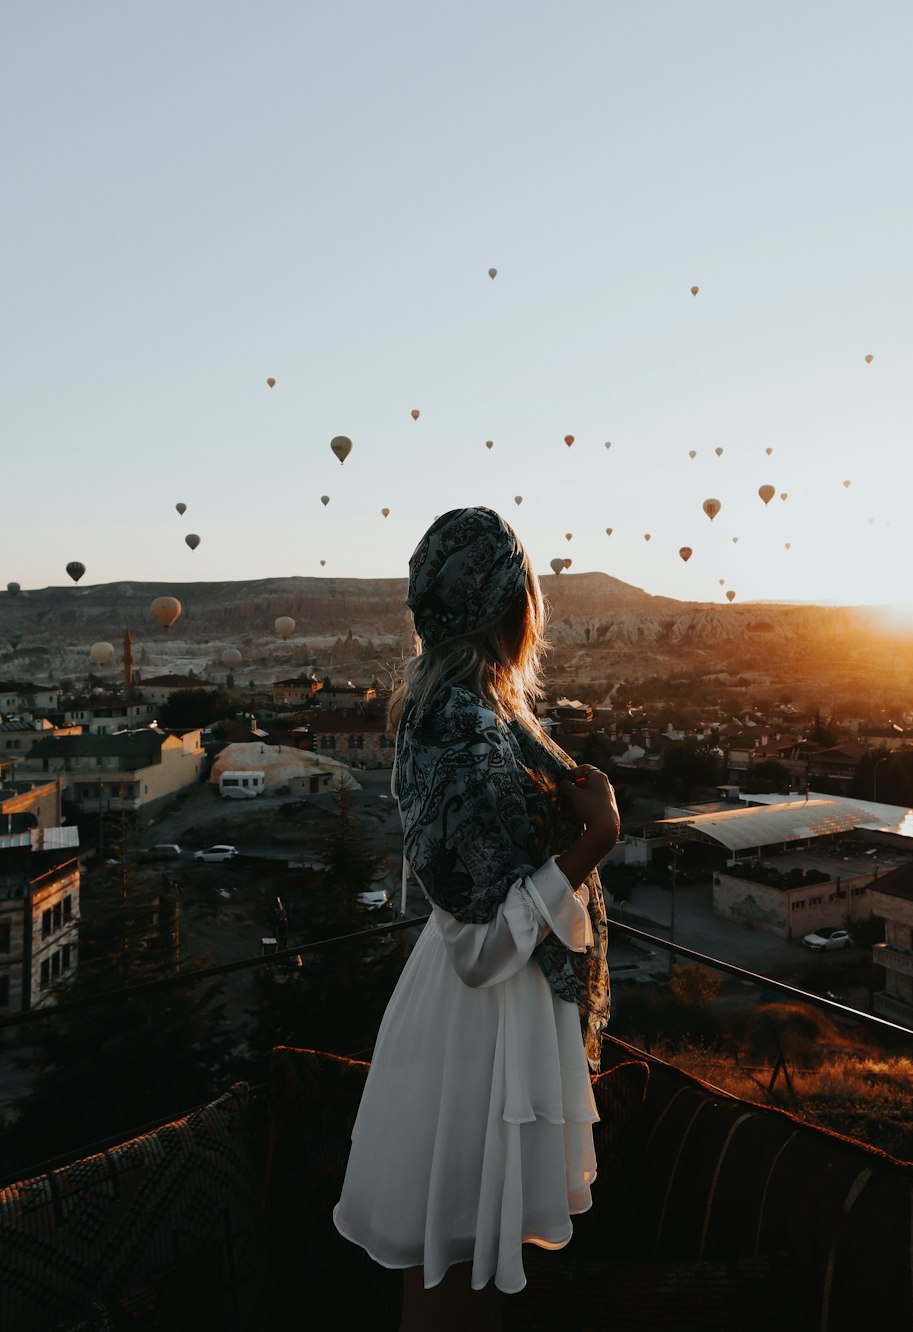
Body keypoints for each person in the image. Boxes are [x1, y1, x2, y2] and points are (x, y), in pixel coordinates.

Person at [333, 507, 617, 1332]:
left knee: (456, 1259)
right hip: (482, 1024)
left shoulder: (464, 714)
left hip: (475, 1023)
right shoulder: (467, 732)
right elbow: (480, 945)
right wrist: (596, 840)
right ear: (505, 604)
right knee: (456, 1267)